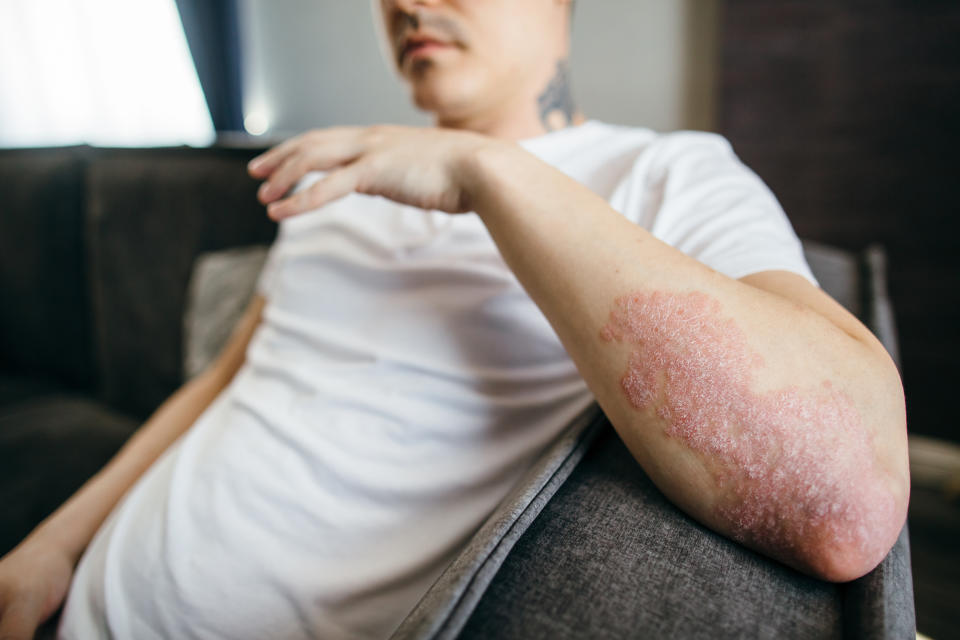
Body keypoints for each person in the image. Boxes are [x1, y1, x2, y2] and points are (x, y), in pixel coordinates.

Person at [0, 0, 910, 638]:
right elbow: (223, 383)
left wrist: (487, 172)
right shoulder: (344, 179)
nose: (407, 3)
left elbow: (845, 493)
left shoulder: (668, 176)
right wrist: (52, 546)